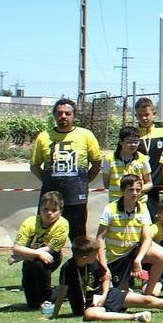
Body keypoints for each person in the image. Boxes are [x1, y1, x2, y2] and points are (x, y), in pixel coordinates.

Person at [50, 238, 163, 322]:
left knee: (147, 299)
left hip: (106, 296)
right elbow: (62, 294)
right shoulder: (68, 268)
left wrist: (104, 295)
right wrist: (55, 316)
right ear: (84, 257)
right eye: (94, 254)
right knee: (90, 315)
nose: (97, 256)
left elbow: (105, 277)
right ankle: (135, 317)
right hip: (87, 306)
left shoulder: (93, 263)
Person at [29, 97, 102, 239]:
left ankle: (80, 262)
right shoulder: (44, 137)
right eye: (60, 113)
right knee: (44, 238)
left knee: (78, 238)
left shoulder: (86, 135)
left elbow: (97, 163)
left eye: (67, 113)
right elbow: (34, 165)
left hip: (76, 197)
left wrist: (84, 181)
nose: (63, 116)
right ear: (54, 115)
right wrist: (47, 180)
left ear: (74, 115)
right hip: (50, 199)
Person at [11, 191, 70, 311]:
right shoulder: (30, 222)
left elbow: (50, 250)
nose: (49, 213)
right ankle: (60, 291)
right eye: (45, 209)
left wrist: (22, 256)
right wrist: (35, 253)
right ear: (39, 209)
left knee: (39, 263)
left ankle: (46, 299)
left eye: (54, 210)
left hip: (52, 256)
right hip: (31, 256)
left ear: (61, 211)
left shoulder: (63, 224)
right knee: (32, 304)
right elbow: (17, 248)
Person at [133, 97, 163, 216]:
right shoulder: (133, 135)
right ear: (136, 116)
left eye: (147, 114)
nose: (144, 118)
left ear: (153, 113)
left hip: (160, 184)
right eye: (140, 115)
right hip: (142, 185)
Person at [100, 127, 151, 203]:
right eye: (129, 142)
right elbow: (106, 184)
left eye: (136, 142)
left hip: (138, 203)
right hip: (116, 202)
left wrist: (134, 190)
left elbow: (149, 183)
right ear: (120, 141)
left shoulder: (142, 159)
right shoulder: (109, 159)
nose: (133, 145)